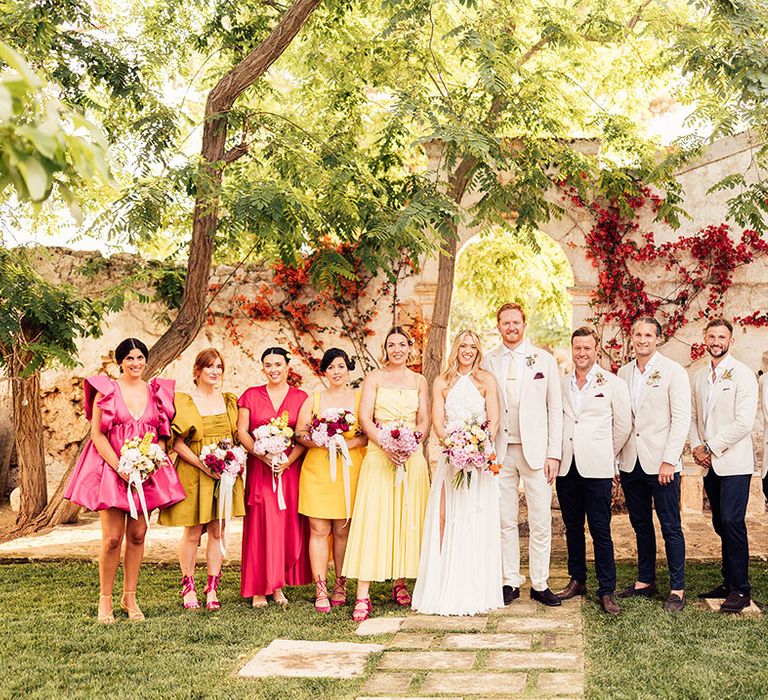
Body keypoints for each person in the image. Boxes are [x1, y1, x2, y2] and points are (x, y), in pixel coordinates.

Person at [64, 338, 185, 623]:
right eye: (129, 358)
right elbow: (97, 435)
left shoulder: (156, 393)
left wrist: (151, 460)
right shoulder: (106, 392)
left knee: (138, 535)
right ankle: (105, 600)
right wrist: (120, 467)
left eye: (140, 357)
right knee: (112, 539)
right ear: (120, 361)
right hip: (112, 470)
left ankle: (129, 596)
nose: (136, 363)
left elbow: (162, 436)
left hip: (145, 473)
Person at [342, 326, 430, 622]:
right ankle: (363, 594)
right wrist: (385, 443)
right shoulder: (374, 378)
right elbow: (365, 417)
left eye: (402, 344)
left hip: (411, 457)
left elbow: (424, 418)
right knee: (374, 518)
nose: (397, 349)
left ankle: (401, 582)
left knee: (407, 518)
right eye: (391, 345)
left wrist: (411, 443)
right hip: (380, 455)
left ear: (410, 348)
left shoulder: (419, 380)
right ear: (386, 349)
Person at [412, 329, 503, 615]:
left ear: (478, 351)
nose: (467, 350)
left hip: (478, 460)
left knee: (475, 516)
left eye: (472, 346)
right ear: (456, 348)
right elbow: (438, 423)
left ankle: (475, 585)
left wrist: (477, 447)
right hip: (452, 459)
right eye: (463, 345)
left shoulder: (486, 379)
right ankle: (442, 584)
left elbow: (494, 420)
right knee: (445, 516)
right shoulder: (442, 381)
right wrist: (454, 446)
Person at [481, 302, 563, 607]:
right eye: (505, 323)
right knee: (506, 520)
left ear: (524, 325)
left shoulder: (544, 360)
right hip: (501, 452)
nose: (511, 327)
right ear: (499, 326)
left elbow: (554, 408)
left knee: (541, 520)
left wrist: (553, 453)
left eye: (516, 322)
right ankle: (510, 581)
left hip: (537, 453)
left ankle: (540, 583)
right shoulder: (488, 361)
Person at [159, 348, 245, 610]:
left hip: (224, 474)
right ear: (197, 371)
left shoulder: (230, 401)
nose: (215, 371)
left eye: (219, 366)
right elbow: (177, 443)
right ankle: (188, 586)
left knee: (217, 529)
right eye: (209, 366)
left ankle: (212, 588)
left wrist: (232, 462)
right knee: (194, 531)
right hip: (195, 471)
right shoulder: (185, 401)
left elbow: (236, 437)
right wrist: (203, 465)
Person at [556, 327, 632, 615]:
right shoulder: (562, 384)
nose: (582, 353)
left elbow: (623, 426)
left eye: (587, 348)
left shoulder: (612, 383)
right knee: (572, 527)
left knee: (600, 529)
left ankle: (606, 589)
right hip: (567, 466)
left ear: (595, 349)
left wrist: (603, 452)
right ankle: (577, 580)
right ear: (572, 349)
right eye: (577, 348)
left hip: (598, 468)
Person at [617, 317, 690, 612]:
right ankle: (646, 581)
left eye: (648, 334)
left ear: (658, 338)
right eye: (638, 334)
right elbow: (623, 419)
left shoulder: (673, 371)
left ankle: (677, 588)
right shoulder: (623, 373)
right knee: (640, 524)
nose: (642, 339)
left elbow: (681, 419)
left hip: (662, 465)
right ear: (631, 337)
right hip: (631, 462)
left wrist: (669, 460)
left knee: (670, 526)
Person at [690, 318, 758, 613]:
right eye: (712, 336)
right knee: (720, 523)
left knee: (732, 521)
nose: (716, 341)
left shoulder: (742, 374)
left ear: (731, 341)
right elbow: (695, 417)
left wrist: (710, 447)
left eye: (722, 337)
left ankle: (741, 589)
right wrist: (695, 445)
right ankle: (728, 582)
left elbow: (744, 422)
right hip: (709, 464)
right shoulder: (699, 376)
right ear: (705, 339)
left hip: (734, 463)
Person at [236, 346, 311, 607]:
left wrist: (287, 461)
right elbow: (242, 432)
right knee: (260, 525)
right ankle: (258, 587)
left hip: (288, 472)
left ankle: (277, 585)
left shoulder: (301, 397)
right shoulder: (250, 396)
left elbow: (303, 436)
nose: (273, 369)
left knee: (284, 527)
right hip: (261, 470)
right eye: (268, 365)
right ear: (263, 368)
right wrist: (261, 454)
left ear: (288, 367)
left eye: (278, 364)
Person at [295, 348, 367, 613]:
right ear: (323, 372)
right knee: (318, 529)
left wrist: (345, 444)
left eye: (341, 366)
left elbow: (368, 435)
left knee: (343, 530)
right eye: (330, 368)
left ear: (348, 369)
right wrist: (321, 442)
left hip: (350, 469)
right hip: (318, 469)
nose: (336, 372)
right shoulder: (314, 399)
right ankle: (320, 588)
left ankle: (341, 583)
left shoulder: (360, 398)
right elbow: (299, 433)